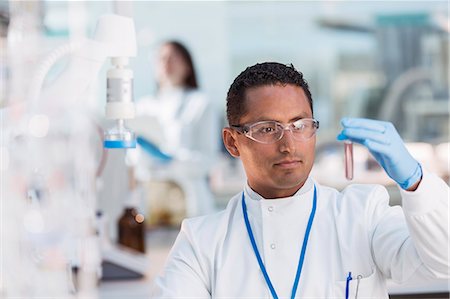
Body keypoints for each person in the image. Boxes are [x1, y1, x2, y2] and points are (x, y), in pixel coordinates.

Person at [150, 62, 449, 297]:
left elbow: (443, 263)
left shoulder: (363, 214)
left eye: (300, 125)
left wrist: (415, 181)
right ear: (232, 142)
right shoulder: (201, 242)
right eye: (268, 128)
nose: (289, 144)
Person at [130, 40, 219, 220]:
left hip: (189, 199)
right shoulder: (143, 107)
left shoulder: (201, 103)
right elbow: (132, 159)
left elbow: (208, 159)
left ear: (187, 65)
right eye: (161, 59)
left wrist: (171, 161)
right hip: (150, 199)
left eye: (173, 58)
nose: (166, 63)